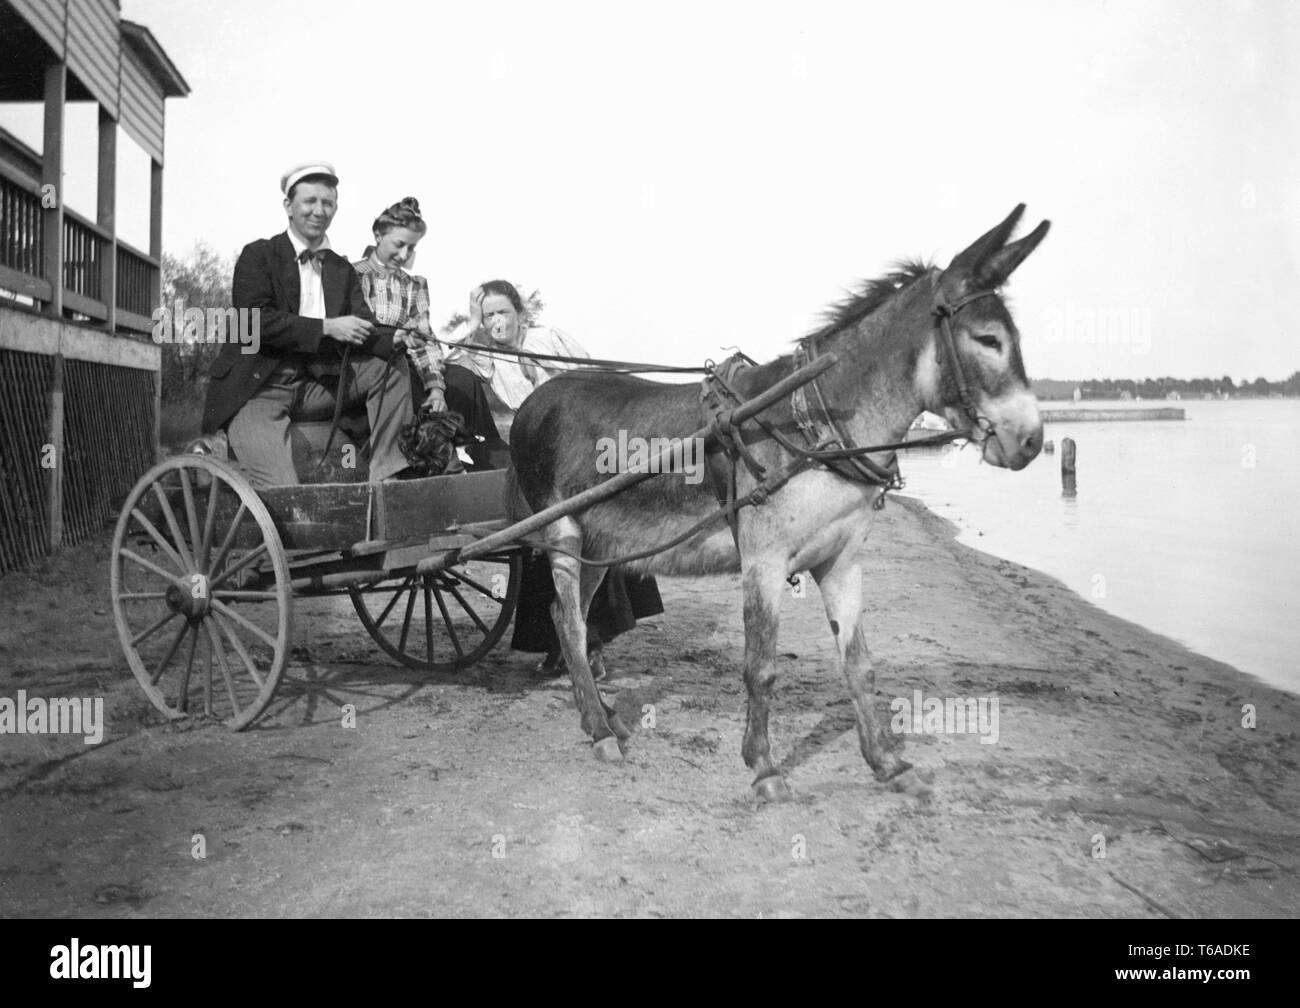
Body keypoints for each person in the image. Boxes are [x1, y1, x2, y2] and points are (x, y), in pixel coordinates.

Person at [447, 280, 664, 680]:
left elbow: (593, 381)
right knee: (543, 542)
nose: (497, 322)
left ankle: (592, 642)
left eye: (503, 313)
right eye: (489, 315)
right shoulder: (483, 356)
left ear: (519, 314)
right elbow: (451, 361)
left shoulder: (550, 340)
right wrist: (473, 324)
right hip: (527, 454)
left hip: (576, 444)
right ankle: (557, 643)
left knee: (596, 527)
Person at [202, 161, 416, 486]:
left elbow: (364, 328)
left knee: (391, 365)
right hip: (258, 390)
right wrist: (327, 328)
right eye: (310, 201)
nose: (319, 211)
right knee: (283, 491)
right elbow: (254, 322)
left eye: (327, 203)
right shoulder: (258, 256)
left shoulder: (341, 269)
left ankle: (386, 477)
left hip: (316, 387)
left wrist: (394, 338)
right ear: (289, 206)